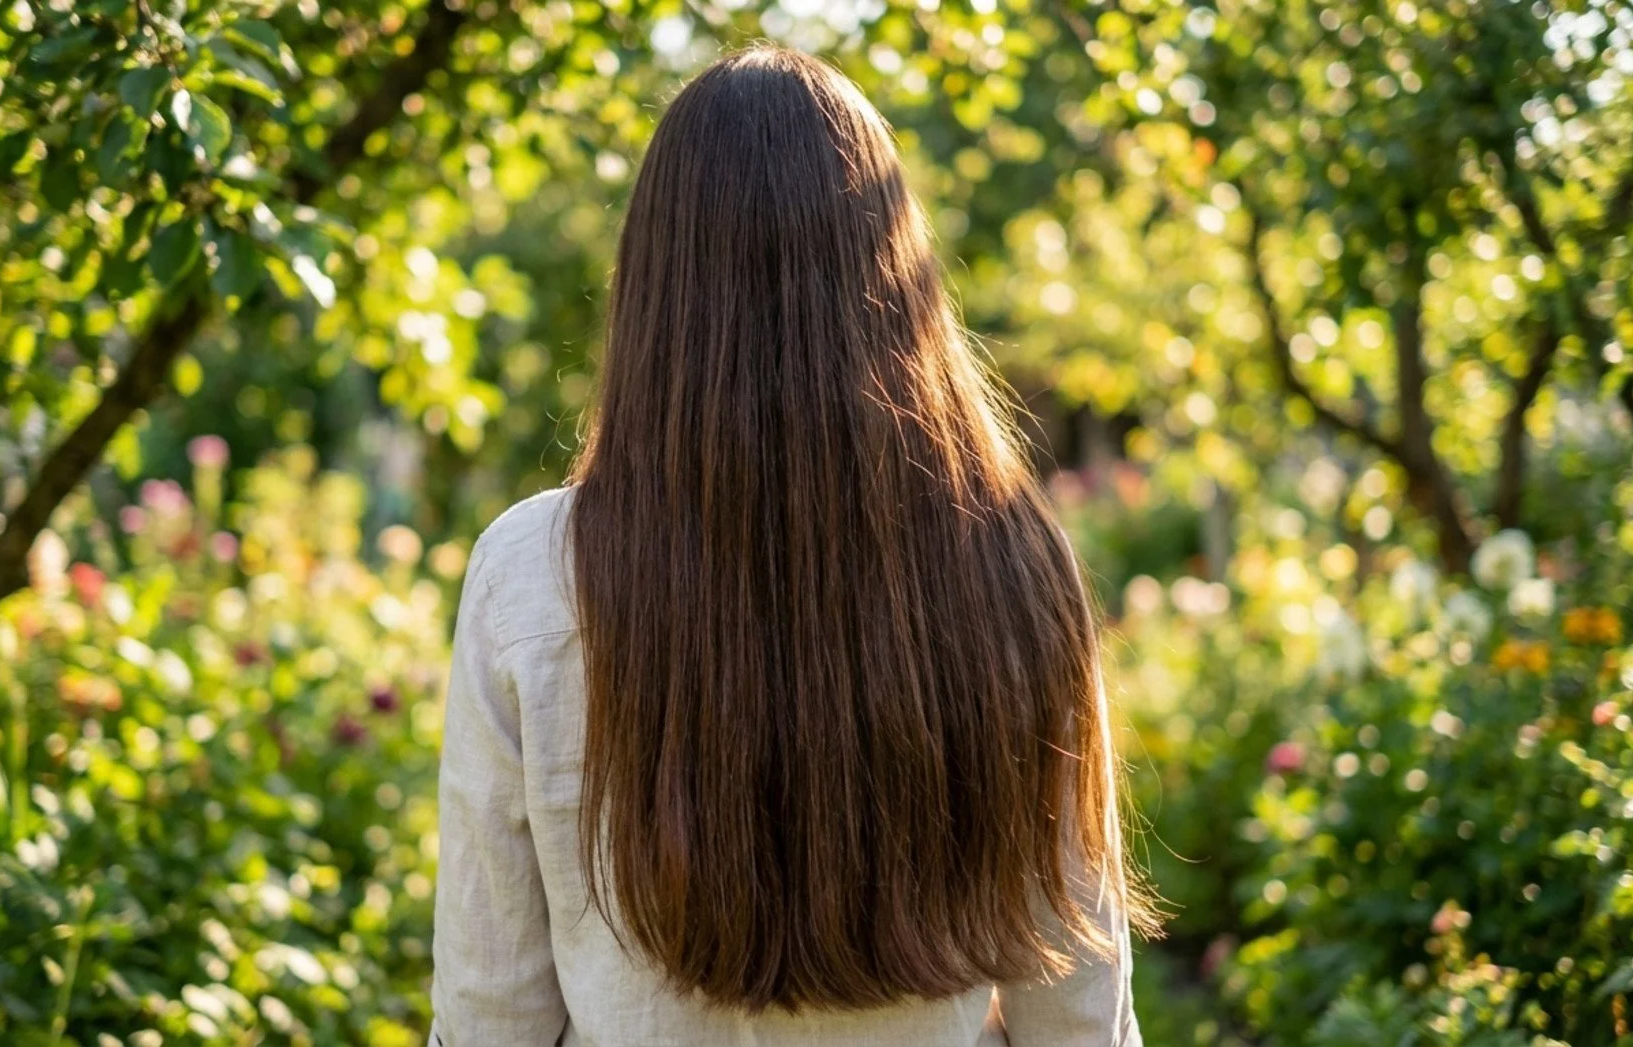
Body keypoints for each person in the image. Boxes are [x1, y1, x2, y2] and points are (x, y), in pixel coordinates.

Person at [429, 44, 1155, 1047]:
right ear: (895, 278)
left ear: (650, 286)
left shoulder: (528, 576)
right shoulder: (1012, 560)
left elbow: (488, 1011)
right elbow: (1075, 1009)